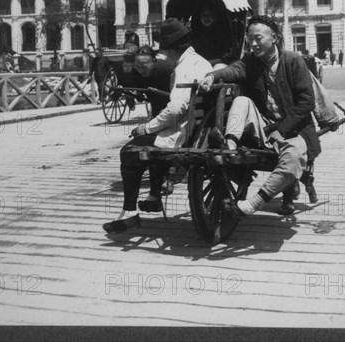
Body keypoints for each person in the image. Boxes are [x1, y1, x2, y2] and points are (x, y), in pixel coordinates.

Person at [199, 15, 319, 217]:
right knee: (242, 101)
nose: (253, 44)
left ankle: (254, 203)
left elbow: (306, 103)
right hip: (265, 126)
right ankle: (229, 145)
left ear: (275, 38)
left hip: (295, 128)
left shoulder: (293, 61)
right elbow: (232, 70)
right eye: (250, 39)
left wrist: (282, 130)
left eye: (258, 38)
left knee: (295, 158)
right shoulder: (251, 62)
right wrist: (212, 76)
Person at [102, 18, 212, 234]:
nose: (165, 56)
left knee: (130, 152)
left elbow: (175, 109)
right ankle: (153, 197)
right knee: (150, 143)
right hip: (198, 129)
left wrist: (148, 127)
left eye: (165, 50)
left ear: (171, 48)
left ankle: (130, 213)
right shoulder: (201, 61)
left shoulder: (185, 68)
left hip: (182, 134)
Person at [132, 45, 173, 117]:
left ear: (153, 61)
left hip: (171, 103)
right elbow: (140, 90)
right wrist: (138, 94)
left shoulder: (166, 71)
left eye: (144, 67)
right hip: (155, 104)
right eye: (138, 67)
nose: (141, 70)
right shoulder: (136, 72)